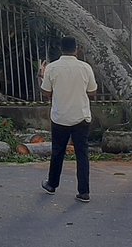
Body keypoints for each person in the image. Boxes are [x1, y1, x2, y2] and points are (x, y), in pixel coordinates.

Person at [39, 37, 97, 203]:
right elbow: (92, 91)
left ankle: (52, 184)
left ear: (60, 49)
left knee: (58, 151)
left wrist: (41, 76)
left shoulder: (52, 68)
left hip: (60, 117)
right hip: (81, 116)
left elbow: (47, 92)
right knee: (82, 154)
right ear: (76, 49)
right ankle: (84, 191)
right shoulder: (85, 68)